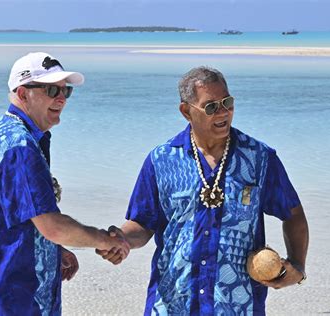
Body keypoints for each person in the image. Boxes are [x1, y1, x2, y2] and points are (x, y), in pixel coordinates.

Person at [97, 66, 309, 315]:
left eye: (227, 102)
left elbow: (293, 215)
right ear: (186, 111)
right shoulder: (161, 160)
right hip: (171, 304)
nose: (223, 113)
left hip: (237, 306)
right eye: (211, 107)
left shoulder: (260, 159)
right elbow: (142, 224)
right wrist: (121, 241)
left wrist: (297, 266)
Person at [0, 52, 129, 315]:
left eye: (66, 91)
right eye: (52, 90)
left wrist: (54, 251)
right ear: (22, 93)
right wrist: (104, 240)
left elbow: (17, 216)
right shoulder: (19, 146)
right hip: (13, 300)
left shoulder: (10, 135)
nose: (61, 98)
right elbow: (52, 226)